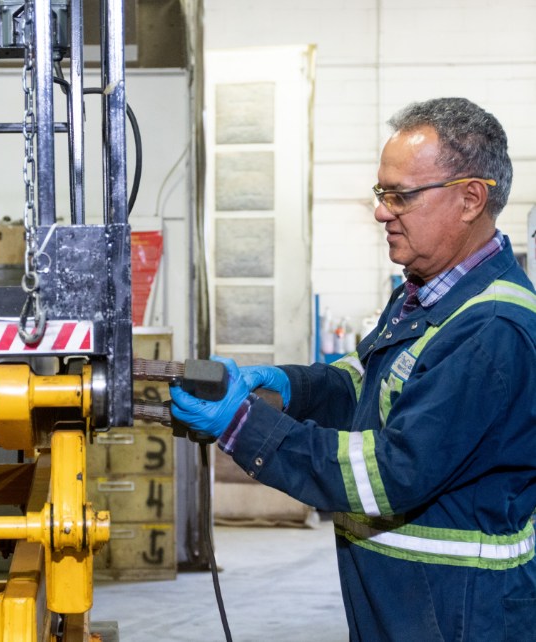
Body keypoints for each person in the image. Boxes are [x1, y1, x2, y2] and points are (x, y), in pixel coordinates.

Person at [170, 97, 536, 641]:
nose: (381, 211)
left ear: (470, 199)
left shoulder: (490, 329)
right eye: (381, 193)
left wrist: (243, 428)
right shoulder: (427, 292)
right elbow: (367, 383)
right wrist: (284, 387)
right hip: (410, 603)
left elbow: (390, 473)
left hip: (459, 613)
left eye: (400, 196)